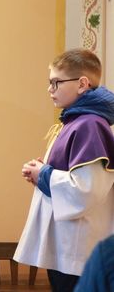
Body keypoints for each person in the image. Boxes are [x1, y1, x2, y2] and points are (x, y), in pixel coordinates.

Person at [14, 48, 114, 292]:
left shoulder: (89, 124)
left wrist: (43, 174)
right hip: (67, 244)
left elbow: (86, 190)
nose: (50, 89)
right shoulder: (77, 120)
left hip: (78, 247)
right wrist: (41, 172)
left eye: (56, 83)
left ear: (82, 84)